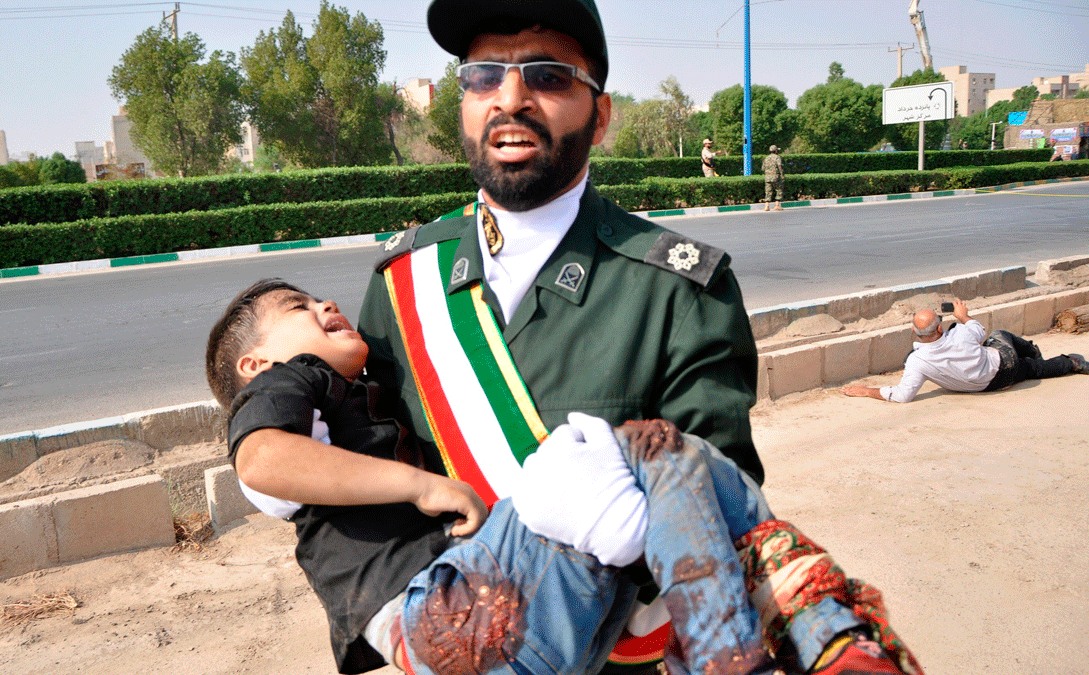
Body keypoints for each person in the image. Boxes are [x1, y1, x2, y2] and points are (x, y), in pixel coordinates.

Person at [356, 2, 916, 674]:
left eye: (547, 75)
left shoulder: (681, 290)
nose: (510, 98)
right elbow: (364, 490)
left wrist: (620, 540)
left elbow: (719, 515)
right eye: (483, 75)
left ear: (601, 114)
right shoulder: (405, 280)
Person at [208, 279, 922, 675]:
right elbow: (262, 461)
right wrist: (426, 487)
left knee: (677, 466)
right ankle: (807, 633)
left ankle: (786, 639)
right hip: (444, 614)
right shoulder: (287, 386)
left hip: (516, 639)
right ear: (255, 364)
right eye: (299, 308)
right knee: (637, 451)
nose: (325, 304)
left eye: (318, 297)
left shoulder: (356, 396)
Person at [842, 298, 1088, 403]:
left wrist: (866, 391)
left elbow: (902, 395)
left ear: (915, 333)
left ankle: (1069, 362)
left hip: (985, 387)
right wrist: (962, 315)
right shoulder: (961, 333)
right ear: (940, 328)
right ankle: (1041, 355)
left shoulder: (917, 361)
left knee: (1028, 369)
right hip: (1003, 365)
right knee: (1000, 335)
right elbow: (979, 330)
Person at [762, 145, 784, 211]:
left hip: (767, 177)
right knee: (779, 190)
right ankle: (777, 205)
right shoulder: (777, 157)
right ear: (776, 151)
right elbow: (779, 166)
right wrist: (782, 174)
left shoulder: (766, 158)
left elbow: (763, 168)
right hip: (776, 176)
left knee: (768, 191)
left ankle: (767, 206)